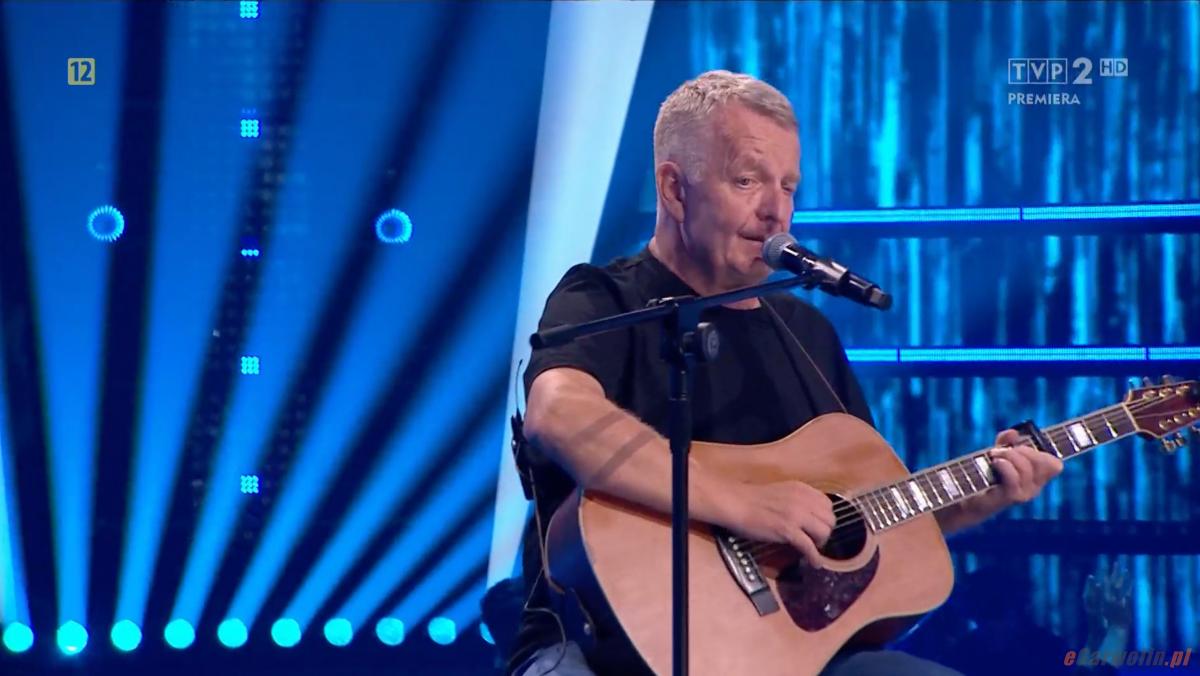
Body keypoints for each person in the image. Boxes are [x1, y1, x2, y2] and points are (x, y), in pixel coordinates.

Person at [508, 70, 1063, 676]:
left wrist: (976, 498)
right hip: (598, 646)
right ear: (674, 189)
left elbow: (859, 519)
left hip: (784, 650)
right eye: (747, 180)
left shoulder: (808, 334)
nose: (777, 211)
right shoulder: (602, 299)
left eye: (789, 185)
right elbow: (558, 414)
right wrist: (742, 504)